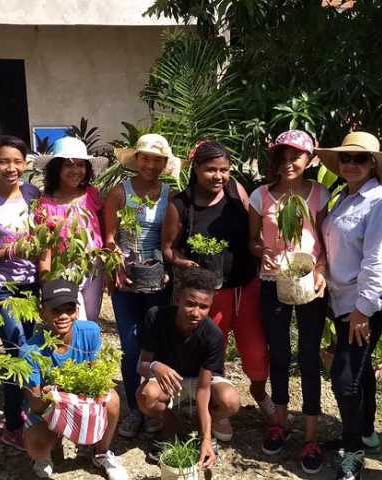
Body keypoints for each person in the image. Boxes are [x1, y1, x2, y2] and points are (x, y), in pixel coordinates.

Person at [162, 140, 273, 440]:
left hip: (246, 285)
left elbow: (255, 231)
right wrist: (186, 265)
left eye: (224, 170)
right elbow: (168, 249)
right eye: (211, 169)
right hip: (209, 294)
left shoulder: (237, 191)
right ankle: (216, 412)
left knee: (255, 352)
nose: (218, 176)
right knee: (212, 354)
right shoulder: (180, 205)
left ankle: (261, 396)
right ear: (196, 169)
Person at [316, 131, 382, 480]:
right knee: (361, 369)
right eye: (346, 158)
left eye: (360, 159)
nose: (351, 164)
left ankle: (352, 451)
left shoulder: (381, 201)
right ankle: (364, 433)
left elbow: (378, 259)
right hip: (340, 300)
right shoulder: (344, 198)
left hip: (362, 303)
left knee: (345, 377)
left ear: (373, 165)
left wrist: (364, 309)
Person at [248, 130, 329, 474]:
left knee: (309, 356)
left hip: (308, 282)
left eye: (296, 156)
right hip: (272, 282)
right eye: (282, 157)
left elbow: (325, 241)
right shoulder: (261, 196)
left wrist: (322, 269)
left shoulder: (319, 195)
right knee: (278, 353)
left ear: (310, 160)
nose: (288, 163)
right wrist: (262, 253)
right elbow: (253, 241)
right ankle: (280, 422)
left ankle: (310, 434)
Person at [20, 278, 128, 480]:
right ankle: (44, 455)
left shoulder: (91, 332)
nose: (63, 316)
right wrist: (50, 396)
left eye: (69, 309)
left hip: (80, 401)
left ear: (77, 311)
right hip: (48, 408)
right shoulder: (30, 351)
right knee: (36, 444)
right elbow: (35, 405)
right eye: (55, 309)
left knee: (111, 398)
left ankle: (101, 452)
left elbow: (97, 378)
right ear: (42, 312)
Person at [136, 267, 240, 469]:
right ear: (178, 300)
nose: (196, 312)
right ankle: (170, 424)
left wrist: (206, 439)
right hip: (171, 380)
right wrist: (156, 366)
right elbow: (141, 365)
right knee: (145, 396)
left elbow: (203, 389)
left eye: (203, 307)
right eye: (190, 304)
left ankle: (207, 423)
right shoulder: (155, 317)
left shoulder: (213, 335)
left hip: (201, 381)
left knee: (231, 400)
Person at [0, 135, 40, 450]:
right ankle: (13, 424)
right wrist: (16, 248)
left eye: (17, 161)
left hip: (34, 285)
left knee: (30, 347)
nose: (10, 168)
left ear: (26, 164)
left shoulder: (32, 193)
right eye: (3, 161)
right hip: (1, 288)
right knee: (18, 351)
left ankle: (25, 414)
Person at [103, 134, 172, 438]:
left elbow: (171, 240)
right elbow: (109, 239)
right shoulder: (121, 192)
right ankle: (133, 409)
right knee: (131, 346)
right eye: (145, 158)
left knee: (155, 344)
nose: (150, 164)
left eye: (157, 159)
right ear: (136, 160)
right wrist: (116, 268)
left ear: (164, 164)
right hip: (126, 278)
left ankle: (154, 409)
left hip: (158, 279)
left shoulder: (170, 195)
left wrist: (168, 270)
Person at [35, 136, 107, 321]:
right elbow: (44, 245)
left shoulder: (92, 194)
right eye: (68, 165)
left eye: (80, 165)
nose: (76, 170)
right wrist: (46, 277)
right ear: (57, 168)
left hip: (94, 267)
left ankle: (90, 350)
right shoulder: (45, 204)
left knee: (91, 318)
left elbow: (103, 229)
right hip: (63, 268)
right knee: (74, 319)